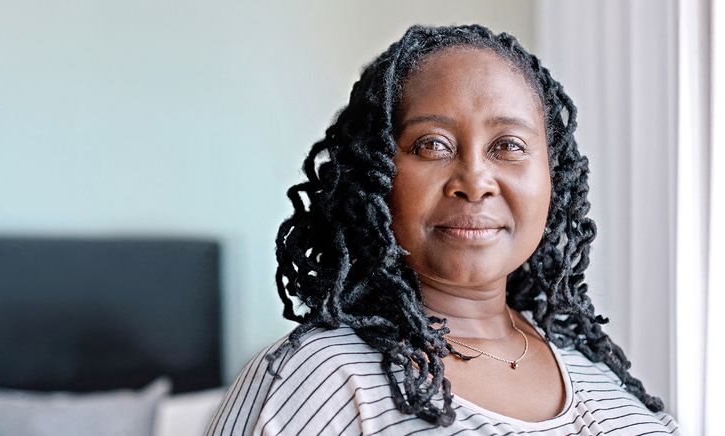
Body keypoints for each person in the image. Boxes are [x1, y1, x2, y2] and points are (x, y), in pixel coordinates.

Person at [206, 24, 680, 435]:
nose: (474, 181)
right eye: (432, 144)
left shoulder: (594, 368)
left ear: (553, 178)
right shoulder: (316, 378)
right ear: (374, 176)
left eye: (509, 145)